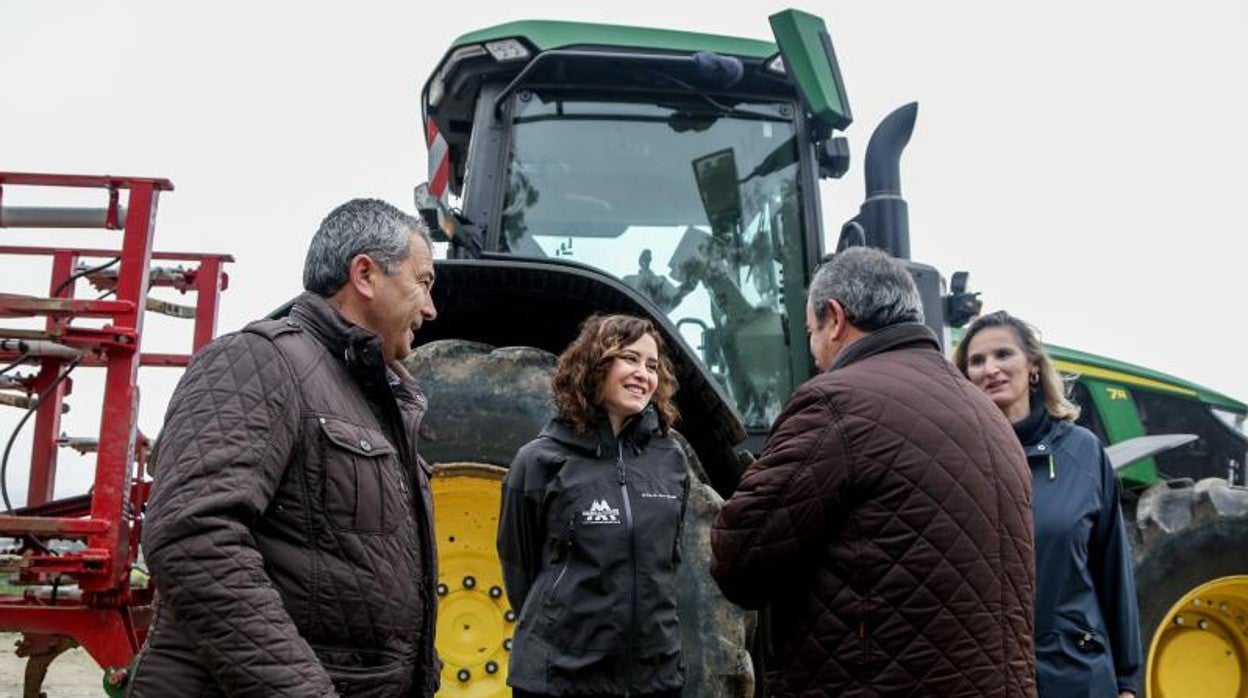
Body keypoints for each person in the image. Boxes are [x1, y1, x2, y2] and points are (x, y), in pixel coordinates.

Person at [128, 199, 441, 696]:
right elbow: (193, 536)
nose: (430, 309)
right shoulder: (256, 362)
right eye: (423, 283)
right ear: (365, 274)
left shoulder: (377, 402)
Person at [710, 247, 1037, 696]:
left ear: (836, 319)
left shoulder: (835, 404)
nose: (815, 353)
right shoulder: (988, 415)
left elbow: (738, 562)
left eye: (811, 333)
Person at [497, 314, 690, 698]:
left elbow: (668, 563)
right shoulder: (539, 461)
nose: (643, 374)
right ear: (594, 365)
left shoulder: (671, 459)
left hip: (654, 679)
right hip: (563, 680)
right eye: (630, 359)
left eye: (652, 366)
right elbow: (521, 570)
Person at [954, 310, 1143, 697]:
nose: (991, 369)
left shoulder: (1083, 452)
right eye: (977, 361)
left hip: (1076, 675)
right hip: (989, 677)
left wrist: (1127, 682)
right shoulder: (957, 460)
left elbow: (1113, 571)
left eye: (1003, 354)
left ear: (1033, 366)